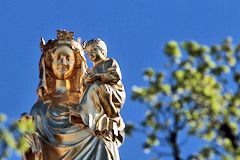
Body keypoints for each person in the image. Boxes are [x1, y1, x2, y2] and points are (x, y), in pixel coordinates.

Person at [70, 38, 126, 160]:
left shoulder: (109, 62)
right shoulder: (91, 70)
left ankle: (82, 113)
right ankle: (90, 117)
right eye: (89, 52)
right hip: (97, 93)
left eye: (94, 50)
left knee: (95, 88)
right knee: (92, 88)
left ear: (103, 51)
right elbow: (84, 86)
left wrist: (98, 76)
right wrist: (86, 81)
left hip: (111, 93)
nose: (91, 54)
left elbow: (115, 76)